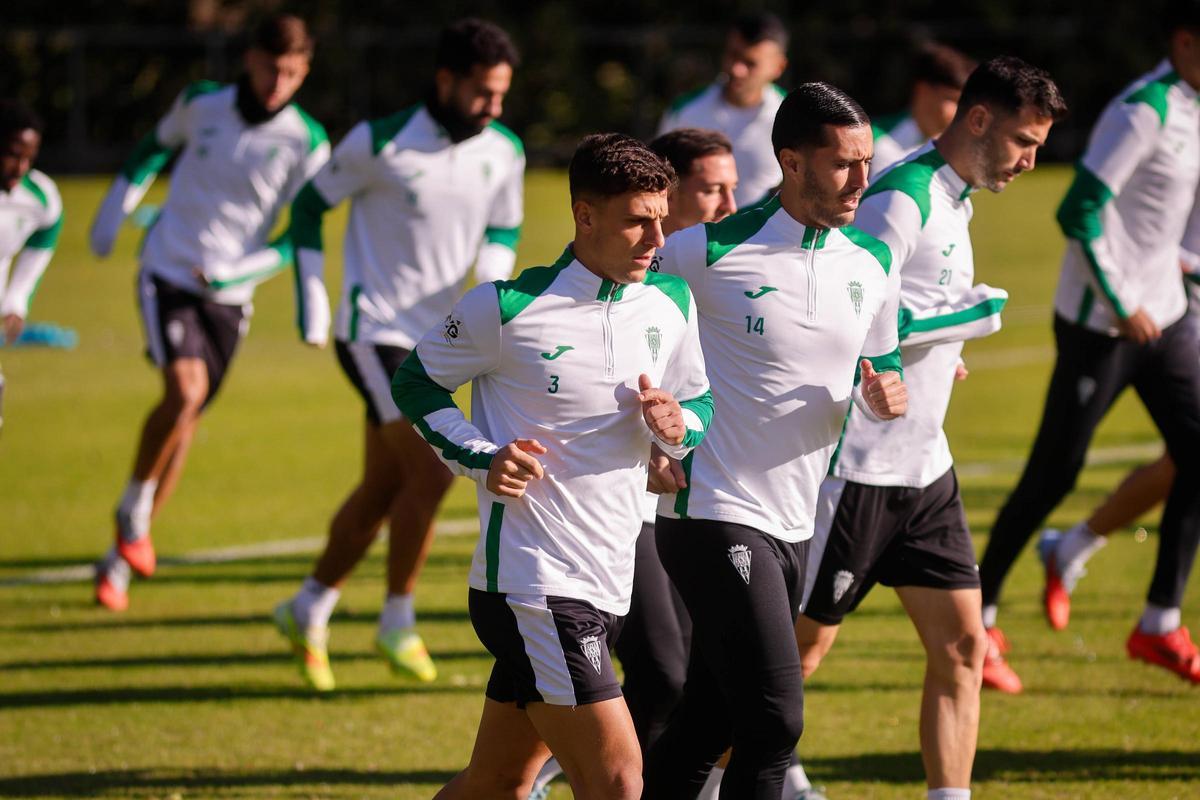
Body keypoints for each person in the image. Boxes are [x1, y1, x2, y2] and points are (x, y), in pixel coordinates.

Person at [394, 132, 712, 800]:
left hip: (608, 578)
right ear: (585, 216)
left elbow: (700, 402)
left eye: (662, 217)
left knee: (498, 782)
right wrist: (480, 456)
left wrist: (680, 427)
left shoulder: (670, 305)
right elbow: (416, 382)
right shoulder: (505, 309)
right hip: (533, 586)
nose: (657, 238)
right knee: (620, 779)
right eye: (637, 220)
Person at [796, 57, 1066, 800]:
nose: (1030, 161)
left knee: (962, 646)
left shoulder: (956, 199)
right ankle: (671, 761)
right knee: (795, 656)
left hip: (925, 472)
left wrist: (943, 353)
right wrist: (974, 317)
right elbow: (858, 312)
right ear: (977, 120)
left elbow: (909, 320)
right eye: (1022, 141)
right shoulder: (902, 199)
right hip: (860, 471)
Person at [643, 82, 909, 800]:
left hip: (798, 519)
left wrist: (885, 394)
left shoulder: (870, 263)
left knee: (706, 721)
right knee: (772, 722)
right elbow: (611, 336)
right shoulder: (702, 252)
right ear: (791, 162)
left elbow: (878, 369)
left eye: (868, 162)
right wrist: (648, 441)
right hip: (712, 511)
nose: (863, 180)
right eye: (844, 163)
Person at [272, 18, 525, 691]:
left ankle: (308, 606)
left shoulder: (504, 150)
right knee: (437, 470)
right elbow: (305, 209)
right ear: (445, 80)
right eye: (482, 92)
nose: (494, 107)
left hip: (441, 343)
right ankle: (397, 619)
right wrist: (315, 304)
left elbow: (503, 227)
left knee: (386, 486)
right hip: (372, 332)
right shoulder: (378, 142)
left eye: (502, 94)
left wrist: (487, 291)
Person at [979, 0, 1200, 689]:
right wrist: (1121, 300)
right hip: (1101, 324)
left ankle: (1159, 622)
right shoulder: (1145, 109)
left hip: (1166, 317)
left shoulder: (1192, 106)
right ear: (1187, 40)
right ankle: (980, 613)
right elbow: (1077, 207)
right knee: (1053, 475)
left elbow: (1171, 218)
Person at [525, 127, 738, 800]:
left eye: (733, 187)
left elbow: (698, 396)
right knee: (659, 676)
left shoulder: (701, 278)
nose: (728, 204)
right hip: (602, 529)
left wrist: (678, 432)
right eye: (710, 189)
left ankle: (571, 768)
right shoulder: (560, 298)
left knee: (503, 768)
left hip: (704, 504)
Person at [89, 14, 328, 612]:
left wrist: (241, 275)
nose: (279, 82)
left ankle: (122, 552)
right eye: (272, 67)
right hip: (167, 271)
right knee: (184, 390)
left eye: (293, 73)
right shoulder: (202, 103)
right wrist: (115, 211)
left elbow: (299, 232)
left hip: (231, 296)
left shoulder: (309, 142)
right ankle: (134, 509)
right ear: (249, 58)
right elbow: (153, 149)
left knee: (186, 418)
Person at [1036, 185, 1200, 631]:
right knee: (1183, 459)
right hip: (1177, 314)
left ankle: (1073, 549)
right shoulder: (1175, 129)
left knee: (1185, 460)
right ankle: (1079, 552)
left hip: (1174, 312)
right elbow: (1164, 237)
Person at [659, 12, 788, 207]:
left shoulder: (793, 117)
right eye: (733, 55)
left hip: (764, 238)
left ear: (778, 67)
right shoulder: (686, 110)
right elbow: (657, 181)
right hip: (691, 235)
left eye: (750, 63)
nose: (737, 69)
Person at [0, 100, 62, 347]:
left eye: (29, 159)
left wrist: (16, 300)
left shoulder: (40, 198)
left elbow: (43, 241)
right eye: (13, 156)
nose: (20, 168)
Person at [870, 42, 977, 179]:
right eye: (953, 100)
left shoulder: (957, 153)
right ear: (923, 91)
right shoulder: (870, 139)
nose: (961, 113)